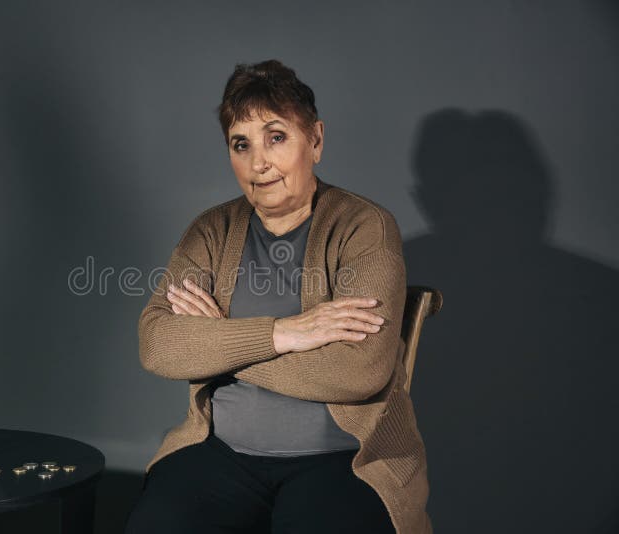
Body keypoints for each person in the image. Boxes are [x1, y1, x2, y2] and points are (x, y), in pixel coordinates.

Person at [125, 59, 432, 534]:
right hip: (220, 456)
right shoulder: (211, 230)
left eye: (276, 137)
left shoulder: (363, 227)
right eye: (240, 144)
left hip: (342, 462)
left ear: (316, 140)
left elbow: (359, 372)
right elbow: (157, 344)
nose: (258, 163)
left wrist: (217, 344)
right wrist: (286, 333)